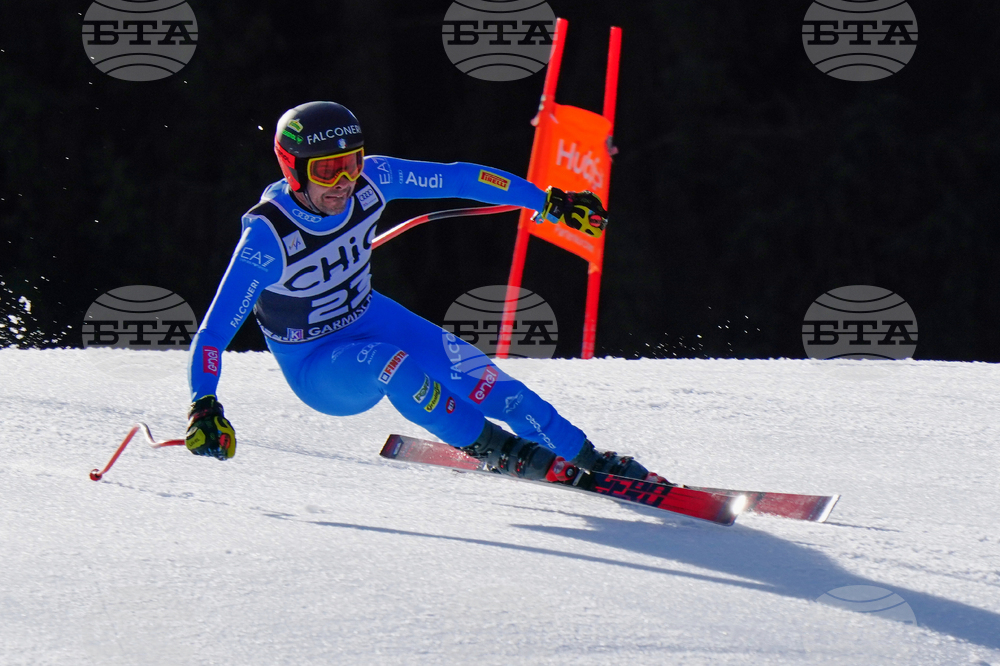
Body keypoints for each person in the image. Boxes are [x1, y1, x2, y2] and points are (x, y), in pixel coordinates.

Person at [184, 101, 665, 485]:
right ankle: (496, 449)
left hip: (371, 316)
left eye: (351, 164)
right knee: (387, 362)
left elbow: (460, 177)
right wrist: (203, 405)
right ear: (294, 170)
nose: (346, 183)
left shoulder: (374, 180)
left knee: (491, 382)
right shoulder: (267, 237)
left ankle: (585, 455)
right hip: (318, 365)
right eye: (328, 171)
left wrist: (546, 201)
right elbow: (212, 333)